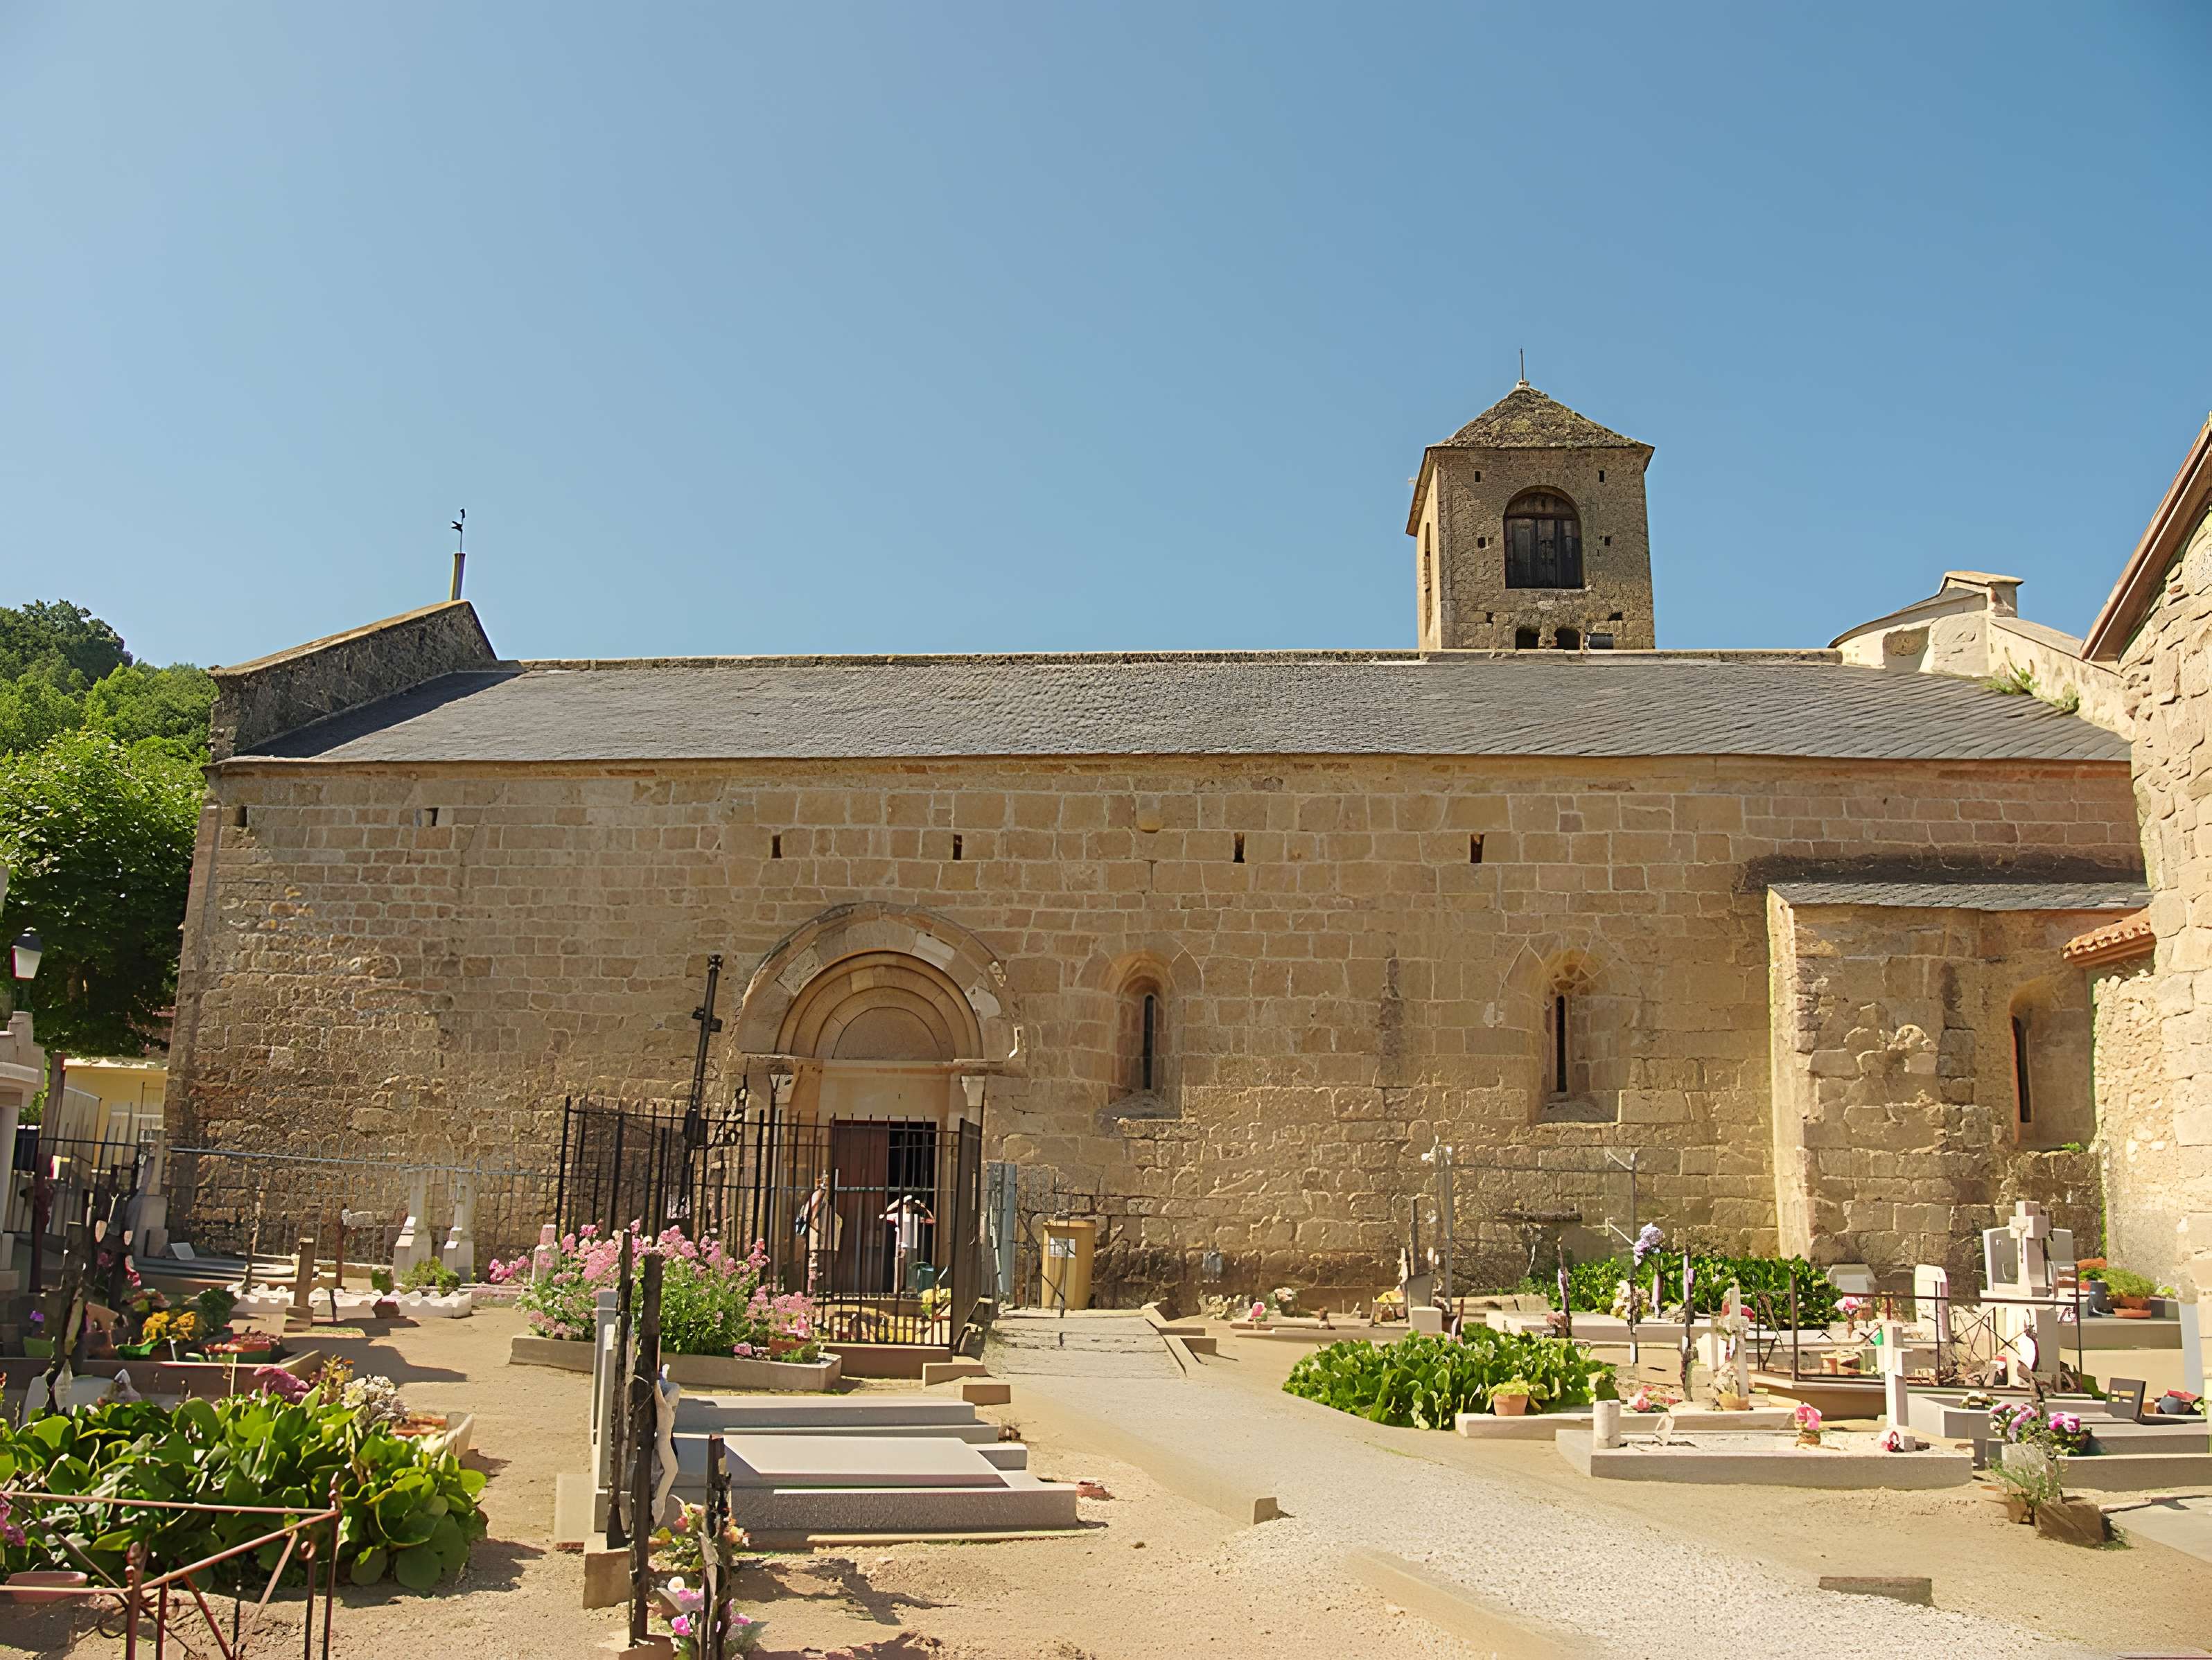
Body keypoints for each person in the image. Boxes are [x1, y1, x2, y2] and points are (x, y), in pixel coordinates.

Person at [794, 1174, 841, 1297]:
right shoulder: (819, 1195)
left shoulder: (823, 1198)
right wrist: (815, 1225)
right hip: (820, 1243)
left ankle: (819, 1297)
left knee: (822, 1273)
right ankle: (813, 1298)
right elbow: (808, 1213)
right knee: (815, 1272)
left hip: (827, 1244)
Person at [880, 1193, 935, 1294]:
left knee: (912, 1269)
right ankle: (898, 1290)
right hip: (901, 1246)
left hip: (913, 1247)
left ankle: (911, 1291)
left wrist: (924, 1208)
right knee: (900, 1268)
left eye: (909, 1205)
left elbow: (932, 1221)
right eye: (906, 1204)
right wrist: (895, 1204)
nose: (908, 1207)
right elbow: (883, 1216)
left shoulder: (915, 1217)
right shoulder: (898, 1216)